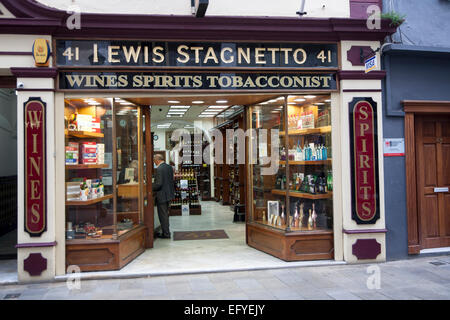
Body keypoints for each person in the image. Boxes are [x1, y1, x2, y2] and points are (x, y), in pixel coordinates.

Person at [152, 154, 175, 239]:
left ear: (157, 160)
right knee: (166, 214)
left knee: (163, 215)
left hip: (162, 195)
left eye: (154, 160)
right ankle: (166, 231)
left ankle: (166, 234)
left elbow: (158, 184)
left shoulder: (159, 169)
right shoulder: (169, 167)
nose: (154, 162)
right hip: (169, 194)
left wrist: (150, 187)